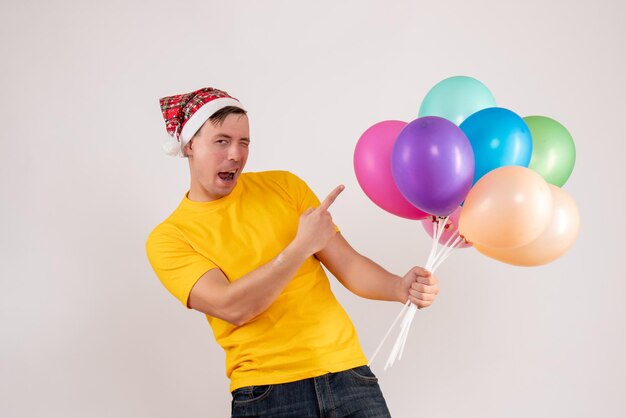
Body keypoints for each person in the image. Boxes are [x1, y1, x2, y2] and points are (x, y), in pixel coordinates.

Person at [146, 87, 440, 418]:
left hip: (350, 375)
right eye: (221, 141)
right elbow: (233, 306)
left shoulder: (285, 187)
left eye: (244, 142)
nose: (235, 154)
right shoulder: (170, 238)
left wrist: (399, 287)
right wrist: (301, 247)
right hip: (268, 395)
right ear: (189, 145)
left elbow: (349, 265)